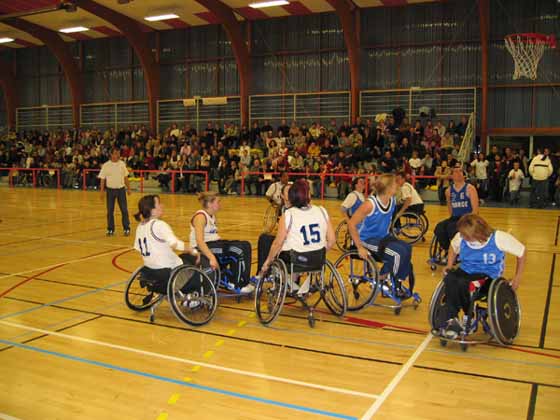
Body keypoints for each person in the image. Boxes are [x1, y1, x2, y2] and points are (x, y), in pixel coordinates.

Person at [440, 214, 526, 339]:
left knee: (463, 283)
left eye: (465, 235)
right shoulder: (461, 237)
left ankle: (469, 316)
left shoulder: (498, 238)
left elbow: (522, 252)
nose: (462, 237)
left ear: (476, 233)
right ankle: (451, 319)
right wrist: (449, 265)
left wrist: (517, 277)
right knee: (450, 278)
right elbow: (453, 248)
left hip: (489, 278)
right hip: (466, 272)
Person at [261, 179, 335, 295]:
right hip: (318, 259)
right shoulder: (322, 210)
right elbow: (331, 241)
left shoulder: (288, 214)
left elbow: (277, 243)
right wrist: (318, 253)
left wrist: (267, 263)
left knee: (277, 247)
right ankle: (296, 283)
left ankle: (286, 281)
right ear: (309, 195)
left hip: (297, 260)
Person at [348, 174, 413, 287]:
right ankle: (390, 280)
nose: (397, 186)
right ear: (388, 188)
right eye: (394, 184)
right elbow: (351, 224)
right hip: (366, 239)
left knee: (407, 248)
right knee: (397, 254)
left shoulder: (391, 200)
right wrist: (359, 247)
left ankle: (390, 277)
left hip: (383, 237)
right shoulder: (369, 204)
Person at [133, 195, 199, 294]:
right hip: (167, 270)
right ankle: (191, 293)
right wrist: (192, 250)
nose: (162, 205)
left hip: (150, 270)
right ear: (152, 210)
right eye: (159, 204)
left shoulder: (140, 226)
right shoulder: (159, 225)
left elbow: (138, 248)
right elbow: (175, 244)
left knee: (183, 257)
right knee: (196, 262)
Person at [190, 192, 254, 293]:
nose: (220, 204)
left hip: (214, 244)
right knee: (237, 250)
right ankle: (236, 283)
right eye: (218, 202)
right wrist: (211, 258)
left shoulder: (212, 216)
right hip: (202, 248)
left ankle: (243, 280)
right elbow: (199, 241)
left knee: (245, 245)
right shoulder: (200, 217)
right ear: (210, 204)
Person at [433, 165, 479, 255]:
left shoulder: (470, 189)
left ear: (464, 175)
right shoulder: (449, 191)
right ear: (451, 176)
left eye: (460, 171)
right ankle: (448, 249)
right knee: (439, 227)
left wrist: (471, 221)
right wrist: (451, 217)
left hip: (467, 218)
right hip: (455, 217)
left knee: (452, 228)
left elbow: (475, 210)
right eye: (455, 172)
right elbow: (450, 207)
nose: (457, 173)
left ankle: (457, 251)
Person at [99, 148, 131, 236]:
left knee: (124, 210)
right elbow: (102, 179)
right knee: (110, 211)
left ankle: (126, 228)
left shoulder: (122, 164)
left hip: (121, 190)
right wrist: (102, 191)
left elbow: (125, 177)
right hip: (110, 191)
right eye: (116, 153)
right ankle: (110, 229)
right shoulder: (106, 165)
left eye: (118, 154)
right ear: (111, 154)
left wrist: (128, 188)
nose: (117, 155)